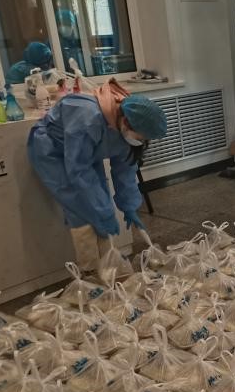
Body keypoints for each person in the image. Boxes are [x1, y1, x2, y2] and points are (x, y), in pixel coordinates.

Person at [28, 80, 168, 270]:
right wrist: (103, 213)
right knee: (81, 207)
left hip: (86, 154)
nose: (141, 141)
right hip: (53, 150)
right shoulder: (88, 118)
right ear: (126, 123)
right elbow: (79, 171)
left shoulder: (126, 123)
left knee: (100, 197)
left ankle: (108, 267)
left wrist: (129, 206)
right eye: (141, 137)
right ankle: (91, 272)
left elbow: (125, 168)